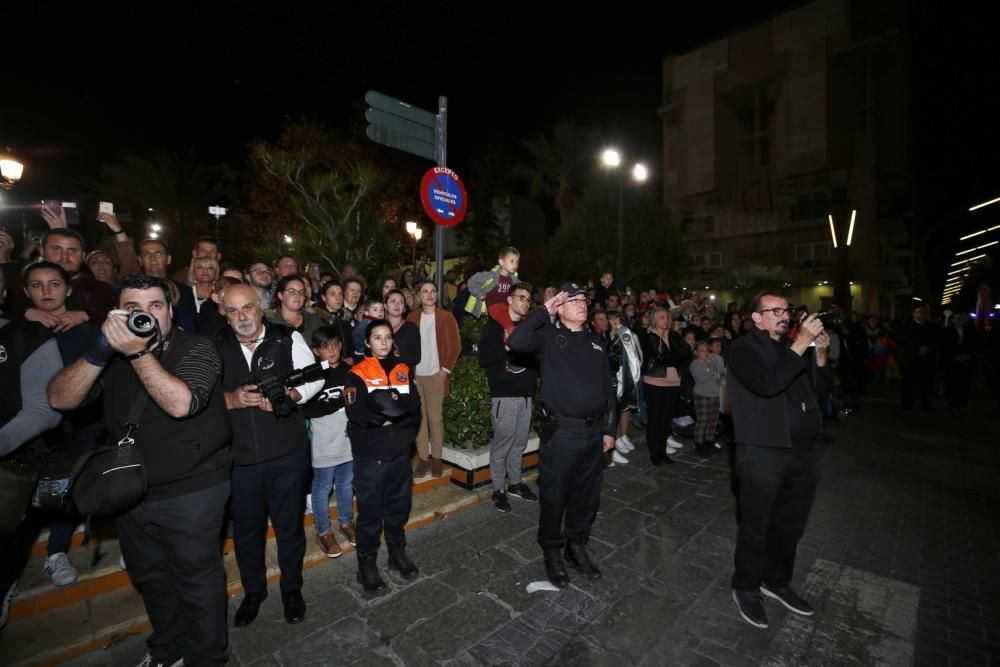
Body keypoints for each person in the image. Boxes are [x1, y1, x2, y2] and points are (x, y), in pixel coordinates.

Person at [47, 274, 232, 665]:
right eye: (133, 309)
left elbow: (182, 403)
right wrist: (99, 350)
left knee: (197, 583)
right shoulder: (110, 355)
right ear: (117, 313)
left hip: (193, 491)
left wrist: (137, 353)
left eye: (155, 306)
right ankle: (168, 649)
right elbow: (61, 399)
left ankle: (207, 658)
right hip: (132, 491)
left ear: (170, 311)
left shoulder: (198, 347)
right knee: (152, 579)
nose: (145, 316)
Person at [217, 284, 324, 628]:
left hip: (287, 454)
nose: (241, 317)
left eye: (247, 308)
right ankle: (254, 592)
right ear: (224, 314)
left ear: (261, 307)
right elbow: (196, 395)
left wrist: (293, 393)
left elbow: (315, 378)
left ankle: (292, 589)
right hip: (240, 459)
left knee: (289, 527)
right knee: (247, 533)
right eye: (232, 311)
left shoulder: (286, 337)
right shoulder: (214, 345)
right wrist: (229, 399)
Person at [726, 291, 831, 630]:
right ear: (756, 318)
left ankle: (776, 580)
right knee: (757, 525)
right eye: (774, 311)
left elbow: (822, 395)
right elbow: (768, 384)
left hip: (803, 451)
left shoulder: (793, 349)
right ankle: (746, 586)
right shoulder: (743, 349)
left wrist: (822, 355)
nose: (784, 315)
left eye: (786, 310)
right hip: (762, 452)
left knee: (790, 524)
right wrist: (801, 344)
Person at [507, 283, 616, 589]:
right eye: (574, 300)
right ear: (560, 307)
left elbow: (609, 391)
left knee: (587, 497)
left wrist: (609, 429)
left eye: (584, 300)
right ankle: (552, 551)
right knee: (555, 497)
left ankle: (576, 546)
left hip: (593, 433)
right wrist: (544, 311)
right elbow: (516, 340)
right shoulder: (548, 337)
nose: (583, 304)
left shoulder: (597, 342)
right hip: (562, 433)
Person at [22, 261, 104, 587]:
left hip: (82, 424)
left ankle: (57, 552)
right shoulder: (17, 329)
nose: (46, 292)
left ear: (68, 289)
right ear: (26, 291)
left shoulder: (87, 330)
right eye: (37, 285)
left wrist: (87, 314)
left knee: (67, 487)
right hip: (28, 429)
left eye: (54, 284)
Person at [0, 269, 63, 629]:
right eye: (37, 286)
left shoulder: (25, 334)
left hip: (14, 463)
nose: (46, 291)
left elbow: (44, 408)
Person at [343, 320, 422, 592]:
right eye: (377, 338)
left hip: (400, 453)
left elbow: (414, 407)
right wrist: (383, 420)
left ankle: (396, 553)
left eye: (387, 337)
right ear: (367, 342)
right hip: (371, 456)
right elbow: (356, 412)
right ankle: (366, 564)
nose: (384, 342)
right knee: (369, 514)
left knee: (398, 508)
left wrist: (405, 432)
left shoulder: (403, 370)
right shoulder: (358, 373)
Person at [478, 282, 539, 513]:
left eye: (528, 299)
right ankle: (498, 489)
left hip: (525, 395)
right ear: (510, 299)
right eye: (521, 298)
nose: (525, 302)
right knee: (503, 443)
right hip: (504, 395)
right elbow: (484, 358)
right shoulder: (494, 326)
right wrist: (505, 347)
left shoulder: (528, 328)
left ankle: (514, 483)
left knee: (520, 443)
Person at [304, 326, 355, 558]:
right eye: (325, 347)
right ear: (316, 351)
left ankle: (346, 522)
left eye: (335, 344)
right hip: (323, 443)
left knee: (345, 485)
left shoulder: (350, 371)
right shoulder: (313, 375)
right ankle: (323, 530)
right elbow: (308, 408)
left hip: (347, 441)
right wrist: (338, 402)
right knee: (322, 488)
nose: (332, 350)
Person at [407, 281, 460, 479]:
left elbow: (455, 345)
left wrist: (445, 369)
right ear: (419, 295)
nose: (429, 294)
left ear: (437, 295)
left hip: (436, 375)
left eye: (433, 291)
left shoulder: (446, 316)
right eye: (425, 291)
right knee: (419, 419)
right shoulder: (412, 318)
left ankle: (436, 458)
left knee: (435, 418)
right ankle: (423, 458)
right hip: (416, 376)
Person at [639, 307, 689, 465]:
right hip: (655, 382)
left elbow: (686, 352)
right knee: (655, 419)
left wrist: (672, 357)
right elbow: (659, 357)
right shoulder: (648, 336)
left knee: (667, 420)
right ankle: (654, 452)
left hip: (673, 383)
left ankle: (662, 451)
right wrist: (675, 357)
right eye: (662, 317)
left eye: (667, 317)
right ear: (654, 319)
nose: (666, 320)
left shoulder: (673, 335)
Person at [136, 238, 197, 332]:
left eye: (158, 253)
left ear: (168, 259)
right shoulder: (132, 291)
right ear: (140, 260)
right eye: (147, 254)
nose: (153, 258)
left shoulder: (184, 291)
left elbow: (189, 326)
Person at [607, 309, 642, 462]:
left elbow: (636, 353)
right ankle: (614, 441)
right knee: (615, 411)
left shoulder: (626, 333)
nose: (614, 322)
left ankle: (623, 436)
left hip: (625, 377)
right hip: (613, 379)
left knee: (626, 408)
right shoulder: (605, 335)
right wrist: (612, 338)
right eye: (611, 319)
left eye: (617, 318)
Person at [897, 304, 938, 411]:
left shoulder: (932, 326)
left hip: (927, 359)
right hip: (911, 359)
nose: (921, 314)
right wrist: (917, 349)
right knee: (909, 382)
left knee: (926, 382)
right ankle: (907, 403)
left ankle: (925, 404)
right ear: (914, 313)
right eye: (919, 312)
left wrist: (928, 348)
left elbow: (936, 341)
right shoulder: (906, 325)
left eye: (924, 312)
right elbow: (903, 341)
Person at [264, 274, 325, 344]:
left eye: (301, 292)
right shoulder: (269, 322)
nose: (298, 296)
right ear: (280, 295)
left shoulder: (314, 319)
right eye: (292, 292)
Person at [689, 340, 725, 457]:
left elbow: (720, 371)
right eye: (702, 351)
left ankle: (710, 441)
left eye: (707, 350)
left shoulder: (711, 361)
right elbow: (703, 377)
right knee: (702, 421)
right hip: (702, 396)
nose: (705, 353)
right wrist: (710, 365)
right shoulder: (695, 364)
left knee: (713, 421)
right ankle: (698, 444)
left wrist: (713, 362)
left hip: (714, 395)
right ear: (696, 352)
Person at [941, 312, 978, 413]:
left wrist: (969, 355)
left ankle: (963, 403)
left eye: (962, 318)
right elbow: (944, 347)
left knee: (965, 383)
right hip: (952, 362)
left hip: (967, 361)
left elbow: (976, 345)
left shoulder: (971, 331)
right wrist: (954, 356)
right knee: (952, 383)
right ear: (952, 320)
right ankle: (952, 403)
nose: (959, 321)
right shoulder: (946, 331)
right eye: (957, 318)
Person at [384, 288, 420, 373]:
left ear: (404, 308)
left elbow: (415, 357)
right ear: (385, 306)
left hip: (403, 378)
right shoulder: (378, 328)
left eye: (401, 302)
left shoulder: (411, 328)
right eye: (393, 301)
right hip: (380, 377)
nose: (397, 305)